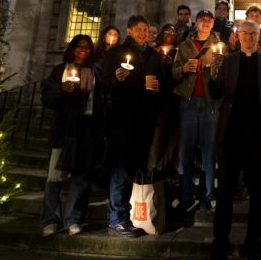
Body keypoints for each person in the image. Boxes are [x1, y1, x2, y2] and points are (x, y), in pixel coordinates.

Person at [209, 20, 261, 260]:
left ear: (259, 36)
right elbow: (216, 93)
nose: (249, 37)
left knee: (258, 193)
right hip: (231, 135)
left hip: (259, 135)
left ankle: (253, 240)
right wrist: (212, 73)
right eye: (245, 34)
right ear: (237, 36)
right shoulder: (227, 61)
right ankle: (221, 240)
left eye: (253, 34)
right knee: (226, 192)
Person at [103, 15, 164, 238]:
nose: (143, 33)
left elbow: (162, 84)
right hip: (122, 119)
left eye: (146, 29)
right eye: (139, 29)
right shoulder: (116, 53)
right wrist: (117, 79)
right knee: (120, 169)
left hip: (145, 119)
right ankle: (116, 218)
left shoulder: (153, 55)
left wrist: (157, 88)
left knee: (134, 169)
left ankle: (126, 216)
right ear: (129, 31)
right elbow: (104, 84)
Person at [40, 35, 105, 237]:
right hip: (64, 128)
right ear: (72, 49)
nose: (83, 51)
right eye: (79, 47)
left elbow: (101, 99)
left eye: (87, 47)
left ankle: (74, 218)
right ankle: (50, 219)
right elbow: (48, 99)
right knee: (55, 177)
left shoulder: (96, 71)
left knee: (81, 177)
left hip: (87, 128)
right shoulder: (60, 70)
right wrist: (62, 90)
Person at [171, 9, 222, 211]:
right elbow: (174, 73)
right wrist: (183, 69)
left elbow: (225, 77)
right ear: (197, 23)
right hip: (189, 102)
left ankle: (208, 195)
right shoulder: (184, 46)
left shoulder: (219, 46)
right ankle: (186, 194)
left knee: (209, 151)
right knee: (187, 151)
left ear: (212, 24)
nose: (206, 23)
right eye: (202, 20)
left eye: (209, 20)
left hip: (211, 103)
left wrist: (216, 67)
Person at [147, 23, 181, 178]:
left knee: (173, 135)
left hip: (174, 98)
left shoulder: (179, 53)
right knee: (157, 134)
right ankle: (153, 167)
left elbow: (179, 75)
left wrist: (171, 66)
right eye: (166, 30)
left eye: (173, 32)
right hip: (157, 99)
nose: (170, 33)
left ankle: (169, 169)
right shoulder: (153, 52)